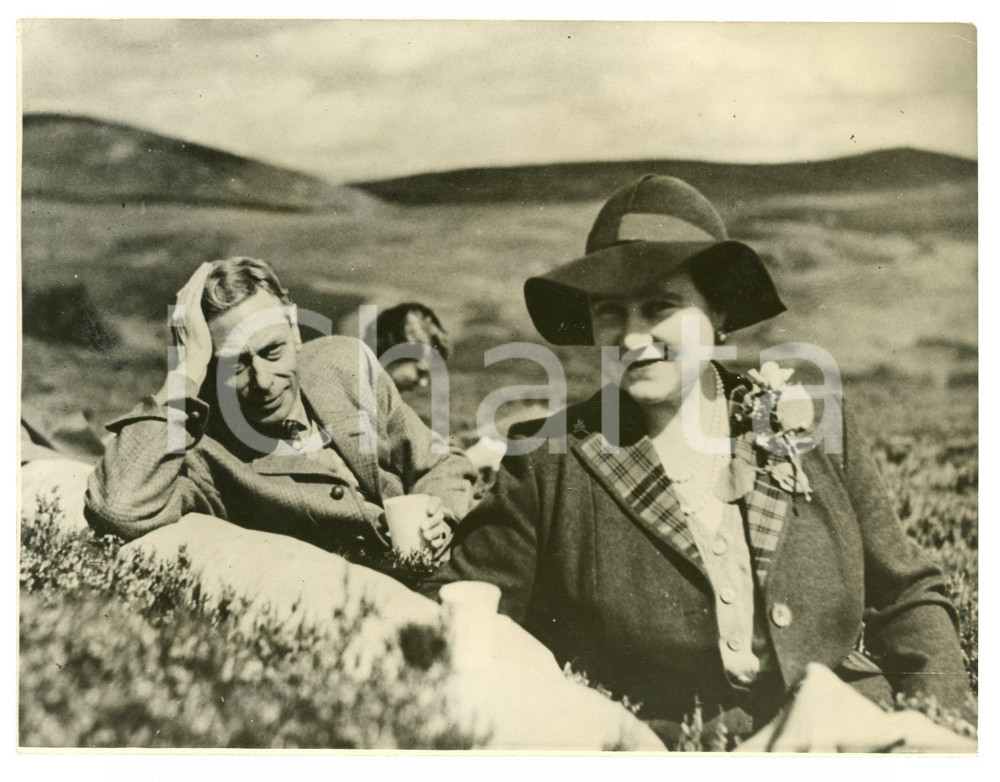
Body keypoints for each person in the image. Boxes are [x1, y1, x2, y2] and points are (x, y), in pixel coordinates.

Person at [421, 175, 973, 747]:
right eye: (610, 312)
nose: (633, 337)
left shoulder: (817, 428)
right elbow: (463, 616)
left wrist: (938, 728)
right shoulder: (549, 459)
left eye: (660, 306)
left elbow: (908, 595)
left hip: (847, 741)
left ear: (718, 313)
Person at [85, 257, 477, 566]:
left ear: (293, 328)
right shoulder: (201, 449)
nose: (263, 380)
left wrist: (439, 512)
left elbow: (442, 462)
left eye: (273, 351)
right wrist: (183, 375)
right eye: (232, 365)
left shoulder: (345, 363)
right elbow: (118, 509)